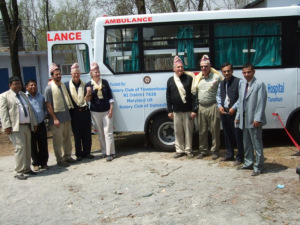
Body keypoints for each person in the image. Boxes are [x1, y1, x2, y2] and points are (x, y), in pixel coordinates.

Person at [0, 76, 37, 180]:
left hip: (27, 126)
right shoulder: (4, 96)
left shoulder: (24, 95)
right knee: (20, 148)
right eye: (15, 84)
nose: (17, 86)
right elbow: (3, 113)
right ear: (10, 85)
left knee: (27, 148)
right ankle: (18, 171)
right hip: (16, 127)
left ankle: (27, 168)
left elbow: (30, 110)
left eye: (19, 84)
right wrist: (6, 126)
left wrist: (33, 123)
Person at [235, 63, 267, 176]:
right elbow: (240, 102)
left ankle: (258, 166)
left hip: (254, 121)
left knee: (257, 144)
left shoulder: (259, 84)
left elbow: (261, 103)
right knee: (246, 143)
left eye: (248, 72)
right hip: (244, 120)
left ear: (253, 72)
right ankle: (248, 163)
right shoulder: (242, 84)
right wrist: (238, 117)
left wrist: (258, 118)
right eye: (244, 72)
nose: (246, 74)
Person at [192, 55, 223, 160]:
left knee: (214, 130)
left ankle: (215, 151)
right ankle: (203, 150)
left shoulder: (217, 77)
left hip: (213, 106)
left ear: (210, 66)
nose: (203, 68)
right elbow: (195, 94)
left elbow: (221, 93)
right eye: (202, 66)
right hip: (201, 107)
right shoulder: (198, 78)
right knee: (202, 130)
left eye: (206, 66)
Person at [45, 63, 76, 167]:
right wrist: (54, 118)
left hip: (66, 117)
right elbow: (48, 105)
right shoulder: (49, 89)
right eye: (56, 74)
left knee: (67, 139)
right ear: (52, 75)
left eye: (59, 74)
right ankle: (60, 159)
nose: (58, 76)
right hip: (57, 120)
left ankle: (68, 156)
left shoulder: (62, 86)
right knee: (58, 141)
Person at [166, 56, 197, 159]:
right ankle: (179, 150)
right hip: (176, 111)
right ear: (174, 69)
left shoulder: (189, 78)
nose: (180, 69)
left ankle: (188, 150)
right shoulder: (170, 80)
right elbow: (168, 96)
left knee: (188, 132)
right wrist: (169, 110)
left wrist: (194, 110)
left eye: (181, 67)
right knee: (178, 131)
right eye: (178, 67)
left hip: (188, 111)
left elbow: (194, 95)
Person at [85, 62, 116, 162]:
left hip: (106, 111)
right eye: (95, 72)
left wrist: (111, 109)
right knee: (101, 133)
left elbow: (110, 97)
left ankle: (110, 153)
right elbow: (87, 100)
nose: (97, 74)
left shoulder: (105, 82)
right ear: (91, 73)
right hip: (95, 112)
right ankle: (104, 151)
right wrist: (89, 92)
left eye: (98, 72)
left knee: (108, 132)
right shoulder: (88, 85)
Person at [217, 63, 244, 165]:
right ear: (222, 72)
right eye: (224, 71)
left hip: (235, 113)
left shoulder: (238, 82)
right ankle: (229, 155)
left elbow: (241, 97)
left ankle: (240, 157)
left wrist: (234, 107)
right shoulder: (221, 84)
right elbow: (218, 96)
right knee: (227, 135)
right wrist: (219, 106)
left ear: (232, 71)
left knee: (238, 135)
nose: (226, 73)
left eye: (228, 71)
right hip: (225, 113)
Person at [65, 63, 93, 161]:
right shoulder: (66, 86)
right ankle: (79, 154)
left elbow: (88, 99)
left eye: (77, 73)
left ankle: (87, 152)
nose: (76, 75)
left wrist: (89, 93)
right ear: (71, 74)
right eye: (74, 74)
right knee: (77, 134)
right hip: (74, 112)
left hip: (85, 112)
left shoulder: (85, 85)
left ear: (80, 74)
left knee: (87, 133)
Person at [26, 79, 49, 171]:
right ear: (27, 87)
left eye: (35, 85)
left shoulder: (41, 97)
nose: (33, 87)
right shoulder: (25, 97)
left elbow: (44, 108)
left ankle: (44, 163)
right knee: (33, 145)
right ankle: (36, 163)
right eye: (31, 85)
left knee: (43, 144)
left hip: (41, 124)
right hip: (30, 126)